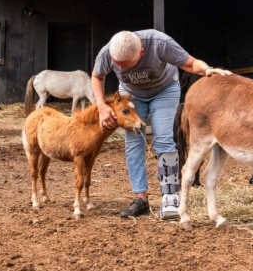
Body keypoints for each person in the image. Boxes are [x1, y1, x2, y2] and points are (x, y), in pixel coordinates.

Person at [91, 29, 231, 219]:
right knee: (133, 143)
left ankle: (170, 196)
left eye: (126, 64)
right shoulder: (107, 53)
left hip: (164, 91)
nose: (122, 69)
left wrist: (207, 70)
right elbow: (97, 76)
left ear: (140, 53)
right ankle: (140, 198)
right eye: (118, 65)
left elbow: (190, 63)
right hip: (132, 94)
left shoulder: (159, 43)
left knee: (164, 139)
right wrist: (100, 105)